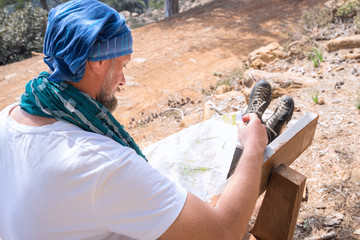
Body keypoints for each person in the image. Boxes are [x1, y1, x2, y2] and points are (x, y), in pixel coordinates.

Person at [0, 0, 289, 239]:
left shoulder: (9, 117)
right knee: (216, 196)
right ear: (99, 61)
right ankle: (256, 136)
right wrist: (253, 149)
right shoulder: (101, 166)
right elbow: (223, 232)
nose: (123, 80)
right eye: (121, 65)